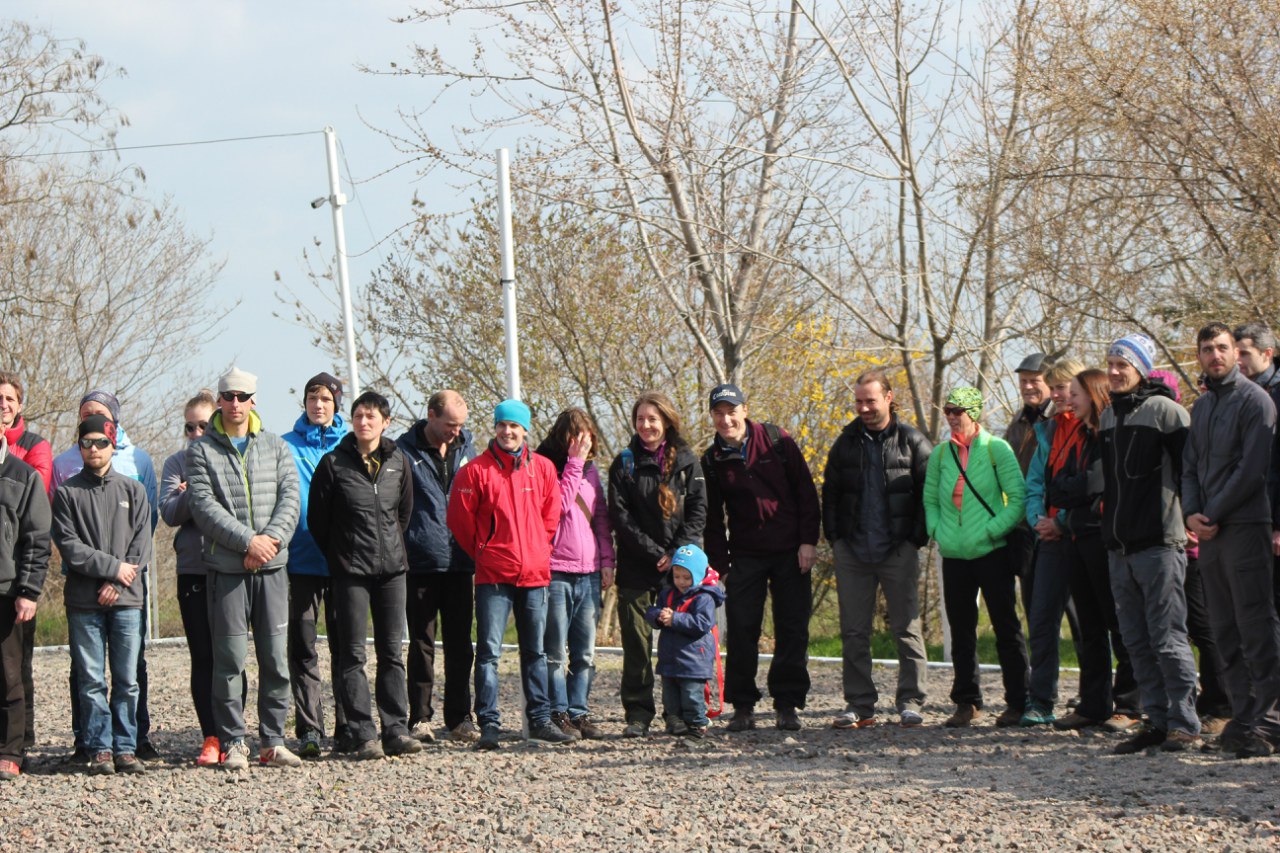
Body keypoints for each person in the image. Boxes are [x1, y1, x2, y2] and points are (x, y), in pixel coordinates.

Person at [186, 367, 303, 770]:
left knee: (275, 659)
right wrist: (246, 542)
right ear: (219, 400)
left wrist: (267, 544)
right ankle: (235, 741)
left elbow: (291, 498)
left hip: (272, 569)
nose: (234, 403)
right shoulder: (201, 452)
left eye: (242, 396)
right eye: (228, 396)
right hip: (227, 572)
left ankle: (272, 740)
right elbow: (203, 506)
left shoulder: (275, 446)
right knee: (230, 660)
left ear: (253, 400)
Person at [446, 399, 572, 750]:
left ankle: (540, 719)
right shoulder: (475, 472)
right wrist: (485, 551)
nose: (507, 431)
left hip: (534, 575)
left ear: (525, 430)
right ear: (495, 427)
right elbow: (460, 519)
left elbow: (552, 515)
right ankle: (489, 723)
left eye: (514, 426)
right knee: (488, 653)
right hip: (493, 576)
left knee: (536, 652)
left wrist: (538, 550)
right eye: (502, 425)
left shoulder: (544, 469)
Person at [1096, 333, 1200, 754]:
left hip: (1160, 543)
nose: (1115, 371)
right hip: (1119, 548)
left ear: (1141, 368)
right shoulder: (1107, 418)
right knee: (1135, 640)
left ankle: (1185, 721)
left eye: (1123, 364)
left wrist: (1194, 515)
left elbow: (1191, 472)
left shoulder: (1168, 413)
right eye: (1111, 363)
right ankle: (1156, 720)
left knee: (1168, 637)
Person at [1183, 323, 1280, 757]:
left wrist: (1213, 513)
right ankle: (1243, 718)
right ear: (1200, 356)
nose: (1216, 355)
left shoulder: (1256, 402)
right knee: (1223, 630)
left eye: (1222, 348)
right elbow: (1188, 468)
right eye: (1207, 349)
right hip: (1210, 535)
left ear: (1235, 354)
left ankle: (1270, 721)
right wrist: (1191, 514)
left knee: (1255, 626)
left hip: (1244, 527)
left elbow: (1253, 469)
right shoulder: (1201, 408)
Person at [309, 391, 421, 761]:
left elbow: (403, 515)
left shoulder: (398, 463)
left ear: (386, 422)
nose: (363, 422)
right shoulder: (332, 464)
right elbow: (319, 523)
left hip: (392, 572)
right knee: (352, 655)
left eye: (371, 416)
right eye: (358, 415)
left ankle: (395, 729)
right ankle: (362, 733)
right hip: (349, 573)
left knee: (392, 652)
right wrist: (343, 555)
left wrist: (387, 549)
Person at [702, 383, 821, 732]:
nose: (726, 420)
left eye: (731, 411)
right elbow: (712, 518)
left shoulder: (777, 440)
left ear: (744, 409)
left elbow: (806, 493)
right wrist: (720, 566)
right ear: (712, 416)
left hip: (790, 551)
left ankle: (787, 703)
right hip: (746, 555)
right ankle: (742, 706)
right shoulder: (712, 459)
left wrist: (807, 541)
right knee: (741, 630)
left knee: (793, 629)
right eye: (718, 413)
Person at [52, 390, 159, 763]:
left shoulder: (134, 490)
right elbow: (69, 545)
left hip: (127, 600)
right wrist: (111, 569)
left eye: (101, 441)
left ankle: (126, 746)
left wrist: (118, 581)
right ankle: (99, 747)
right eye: (87, 442)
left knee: (127, 680)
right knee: (92, 680)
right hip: (83, 600)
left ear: (112, 443)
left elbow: (142, 543)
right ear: (79, 446)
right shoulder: (67, 493)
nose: (94, 449)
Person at [822, 369, 932, 729]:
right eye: (859, 401)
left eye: (870, 400)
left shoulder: (913, 441)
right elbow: (831, 493)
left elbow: (928, 494)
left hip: (897, 549)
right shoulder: (845, 442)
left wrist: (915, 538)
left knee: (906, 628)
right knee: (854, 632)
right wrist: (836, 537)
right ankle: (860, 704)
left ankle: (911, 701)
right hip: (853, 550)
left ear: (888, 397)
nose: (864, 407)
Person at [1026, 368, 1133, 731]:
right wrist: (1063, 506)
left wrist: (1069, 505)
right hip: (1076, 538)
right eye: (1065, 392)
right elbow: (1058, 486)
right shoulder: (1078, 434)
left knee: (1118, 624)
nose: (1068, 399)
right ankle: (1094, 704)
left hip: (1101, 539)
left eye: (1074, 393)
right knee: (1089, 627)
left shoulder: (1107, 435)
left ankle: (1131, 704)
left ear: (1094, 395)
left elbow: (1093, 485)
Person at [923, 386, 1029, 728]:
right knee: (961, 631)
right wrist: (938, 530)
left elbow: (1018, 498)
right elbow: (930, 500)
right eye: (948, 410)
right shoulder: (940, 454)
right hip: (954, 554)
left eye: (959, 410)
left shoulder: (997, 449)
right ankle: (966, 702)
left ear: (974, 412)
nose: (952, 416)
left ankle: (1018, 700)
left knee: (1005, 627)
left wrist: (990, 531)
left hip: (991, 552)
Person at [609, 391, 707, 738]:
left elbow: (698, 513)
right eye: (640, 419)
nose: (646, 425)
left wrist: (677, 554)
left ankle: (677, 713)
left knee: (676, 645)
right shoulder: (624, 463)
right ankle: (638, 712)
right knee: (637, 644)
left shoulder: (687, 461)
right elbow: (620, 518)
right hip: (637, 567)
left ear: (666, 420)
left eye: (652, 419)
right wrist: (655, 553)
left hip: (678, 572)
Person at [1147, 369, 1232, 734]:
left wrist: (1193, 517)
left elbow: (1193, 476)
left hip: (1194, 543)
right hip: (1165, 538)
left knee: (1203, 625)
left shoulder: (1183, 428)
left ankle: (1221, 702)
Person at [396, 390, 479, 743]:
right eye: (449, 425)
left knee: (461, 644)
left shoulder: (468, 449)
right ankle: (420, 716)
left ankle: (460, 716)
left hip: (461, 561)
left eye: (460, 426)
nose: (455, 432)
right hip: (420, 562)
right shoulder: (402, 452)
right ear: (430, 415)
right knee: (422, 642)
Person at [281, 371, 350, 758]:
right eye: (312, 398)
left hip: (343, 563)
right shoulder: (285, 446)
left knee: (345, 647)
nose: (318, 405)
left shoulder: (351, 444)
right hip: (301, 560)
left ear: (336, 402)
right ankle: (310, 729)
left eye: (325, 398)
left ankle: (347, 725)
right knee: (303, 648)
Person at [158, 390, 228, 767]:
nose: (196, 433)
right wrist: (198, 491)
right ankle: (211, 737)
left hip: (229, 568)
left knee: (229, 656)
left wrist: (193, 491)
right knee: (203, 657)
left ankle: (233, 734)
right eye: (190, 427)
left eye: (203, 424)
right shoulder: (175, 462)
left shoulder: (231, 459)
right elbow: (169, 512)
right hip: (193, 570)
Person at [536, 409, 615, 740]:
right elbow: (560, 506)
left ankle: (578, 710)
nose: (582, 444)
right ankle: (557, 711)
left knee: (584, 651)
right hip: (556, 571)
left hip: (589, 572)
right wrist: (573, 463)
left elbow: (600, 518)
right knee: (555, 651)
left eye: (587, 437)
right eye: (575, 437)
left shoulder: (593, 472)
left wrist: (608, 561)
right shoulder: (546, 468)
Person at [0, 371, 52, 761]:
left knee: (10, 677)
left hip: (7, 591)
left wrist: (28, 591)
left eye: (7, 399)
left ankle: (11, 752)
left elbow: (36, 538)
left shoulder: (23, 477)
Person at [643, 544, 725, 738]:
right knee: (670, 697)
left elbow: (702, 623)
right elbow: (653, 611)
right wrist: (658, 615)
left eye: (686, 577)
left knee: (691, 696)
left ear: (697, 575)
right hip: (670, 658)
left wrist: (675, 619)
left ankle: (697, 726)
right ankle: (675, 722)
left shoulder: (704, 598)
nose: (681, 582)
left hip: (694, 660)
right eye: (677, 576)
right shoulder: (668, 594)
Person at [1233, 322, 1280, 618]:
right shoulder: (1235, 395)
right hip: (1243, 520)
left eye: (1245, 354)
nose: (1237, 361)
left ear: (1267, 353)